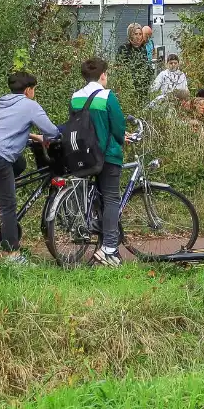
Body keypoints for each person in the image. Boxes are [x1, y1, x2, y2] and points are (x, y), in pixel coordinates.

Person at [0, 71, 60, 264]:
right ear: (29, 90)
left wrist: (33, 137)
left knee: (20, 163)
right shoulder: (30, 105)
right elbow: (52, 131)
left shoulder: (4, 102)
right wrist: (49, 137)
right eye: (34, 90)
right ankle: (12, 256)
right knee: (8, 206)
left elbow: (6, 127)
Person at [71, 58, 128, 266]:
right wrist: (122, 140)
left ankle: (98, 231)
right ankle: (110, 248)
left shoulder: (75, 97)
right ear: (103, 75)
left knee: (96, 197)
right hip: (107, 156)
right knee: (112, 199)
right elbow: (118, 127)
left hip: (83, 156)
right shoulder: (107, 96)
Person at [117, 23, 152, 94]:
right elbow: (119, 68)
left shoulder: (143, 48)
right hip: (128, 85)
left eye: (140, 34)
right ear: (130, 35)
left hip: (142, 86)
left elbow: (145, 65)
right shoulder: (124, 48)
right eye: (136, 34)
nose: (138, 36)